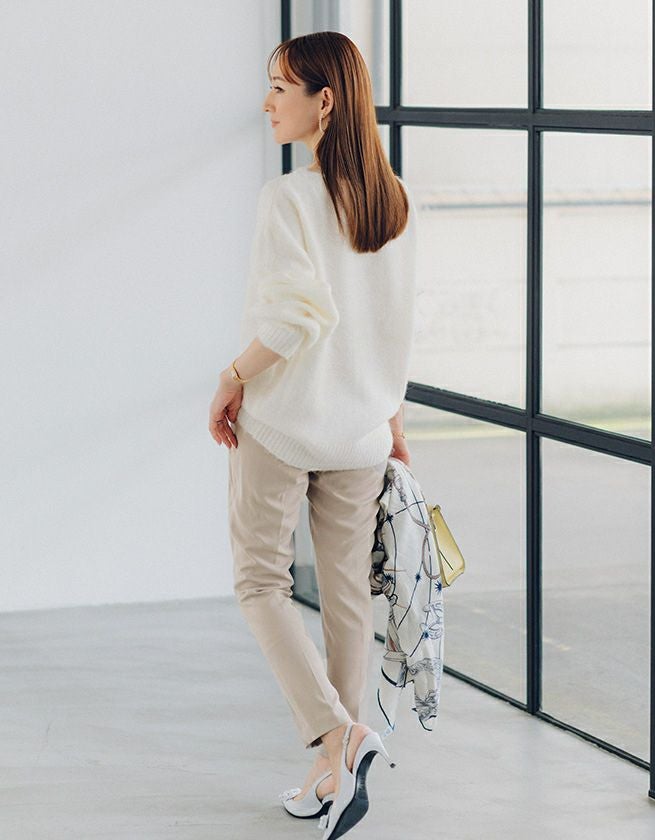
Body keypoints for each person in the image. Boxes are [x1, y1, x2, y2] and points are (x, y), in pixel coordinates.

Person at [207, 31, 417, 838]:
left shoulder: (288, 199)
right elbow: (394, 326)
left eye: (280, 87)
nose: (267, 102)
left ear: (324, 101)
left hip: (285, 423)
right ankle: (334, 775)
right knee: (347, 599)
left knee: (260, 584)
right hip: (362, 430)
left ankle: (338, 737)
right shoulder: (397, 201)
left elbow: (296, 322)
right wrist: (392, 420)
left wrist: (232, 376)